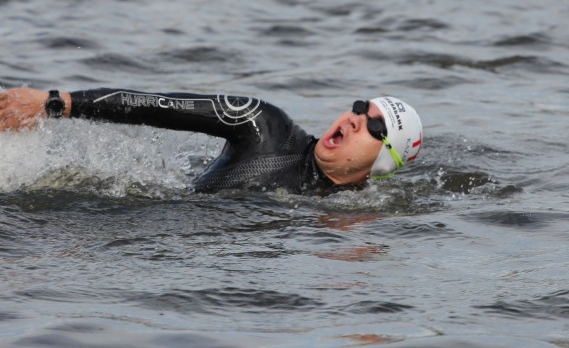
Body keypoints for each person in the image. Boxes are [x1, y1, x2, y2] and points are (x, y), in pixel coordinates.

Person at [0, 87, 423, 194]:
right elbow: (160, 106)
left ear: (383, 163)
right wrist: (54, 103)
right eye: (360, 107)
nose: (355, 119)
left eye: (376, 127)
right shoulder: (265, 127)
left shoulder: (359, 214)